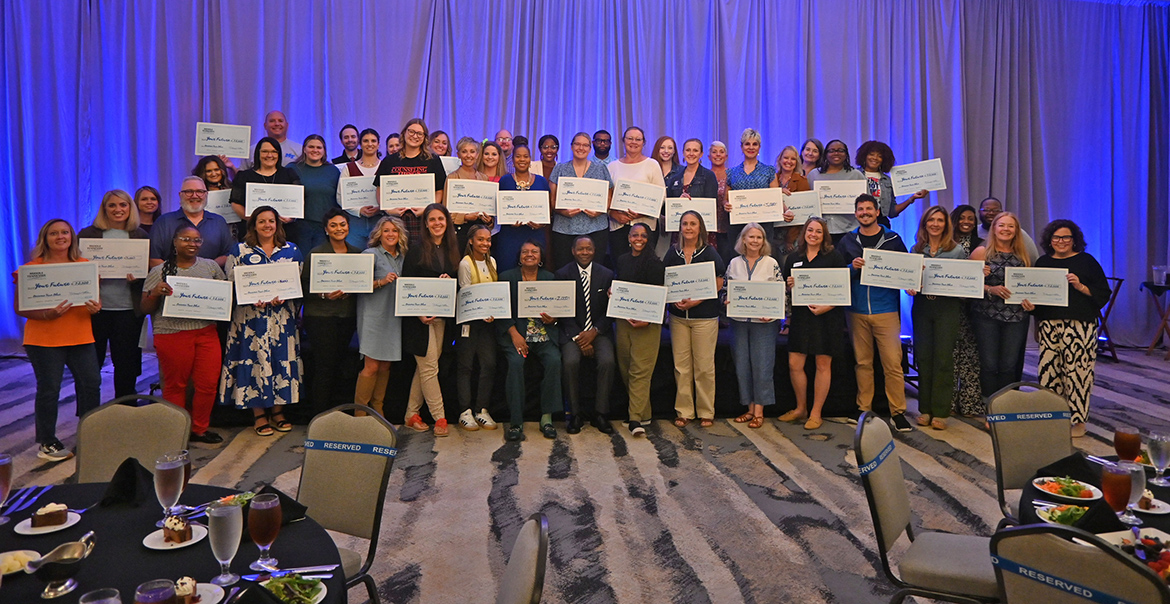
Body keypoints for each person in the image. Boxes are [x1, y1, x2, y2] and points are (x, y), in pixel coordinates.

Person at [16, 219, 102, 461]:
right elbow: (20, 307)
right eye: (54, 233)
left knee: (91, 383)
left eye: (65, 232)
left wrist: (97, 308)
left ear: (72, 237)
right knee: (49, 389)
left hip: (80, 335)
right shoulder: (31, 269)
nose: (60, 237)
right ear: (45, 238)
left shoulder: (85, 266)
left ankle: (89, 434)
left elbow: (95, 300)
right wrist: (47, 314)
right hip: (43, 339)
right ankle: (47, 442)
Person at [219, 206, 303, 435]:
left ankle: (277, 412)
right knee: (253, 362)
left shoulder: (292, 250)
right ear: (253, 225)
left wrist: (283, 296)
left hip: (281, 320)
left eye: (271, 221)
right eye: (262, 221)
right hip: (249, 320)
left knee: (280, 362)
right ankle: (258, 415)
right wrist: (249, 297)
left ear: (278, 224)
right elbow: (231, 284)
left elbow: (298, 286)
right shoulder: (239, 251)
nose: (267, 225)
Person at [1023, 220, 1110, 438]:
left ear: (1074, 240)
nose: (1061, 242)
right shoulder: (1042, 262)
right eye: (1056, 238)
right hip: (1049, 324)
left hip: (1080, 325)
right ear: (1049, 240)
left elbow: (1103, 293)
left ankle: (1079, 421)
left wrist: (1081, 286)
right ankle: (1052, 416)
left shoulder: (1087, 261)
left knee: (1078, 374)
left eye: (1066, 238)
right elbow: (1037, 294)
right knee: (1049, 372)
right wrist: (1031, 306)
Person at [141, 226, 226, 444]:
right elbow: (144, 308)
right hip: (172, 334)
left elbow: (223, 296)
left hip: (206, 332)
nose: (192, 243)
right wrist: (155, 293)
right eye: (186, 239)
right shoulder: (159, 271)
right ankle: (177, 430)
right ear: (175, 242)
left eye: (197, 240)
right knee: (175, 386)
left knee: (208, 384)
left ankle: (199, 428)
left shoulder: (211, 267)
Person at [838, 194, 913, 431]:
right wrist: (852, 268)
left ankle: (898, 412)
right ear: (855, 213)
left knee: (892, 363)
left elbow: (905, 271)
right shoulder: (848, 241)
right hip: (856, 311)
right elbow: (838, 275)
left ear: (877, 211)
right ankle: (863, 408)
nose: (865, 213)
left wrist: (910, 283)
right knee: (863, 362)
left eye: (869, 209)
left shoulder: (892, 239)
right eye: (860, 209)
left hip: (886, 310)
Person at [79, 189, 148, 398]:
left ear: (130, 208)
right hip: (94, 310)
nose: (118, 210)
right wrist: (89, 276)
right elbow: (74, 269)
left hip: (128, 310)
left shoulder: (140, 234)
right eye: (112, 205)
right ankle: (88, 415)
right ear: (104, 209)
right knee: (90, 366)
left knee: (126, 366)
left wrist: (138, 277)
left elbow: (148, 273)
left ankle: (125, 411)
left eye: (123, 205)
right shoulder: (87, 234)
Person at [781, 217, 846, 430]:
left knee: (822, 364)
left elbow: (842, 290)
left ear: (824, 235)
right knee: (794, 364)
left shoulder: (834, 257)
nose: (813, 234)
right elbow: (788, 290)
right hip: (801, 318)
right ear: (804, 233)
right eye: (810, 230)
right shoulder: (793, 258)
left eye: (818, 231)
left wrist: (826, 307)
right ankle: (801, 408)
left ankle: (816, 412)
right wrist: (790, 286)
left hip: (827, 317)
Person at [401, 203, 459, 436]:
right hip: (419, 318)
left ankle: (410, 414)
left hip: (441, 317)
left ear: (447, 222)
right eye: (432, 220)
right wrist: (418, 314)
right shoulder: (416, 250)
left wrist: (448, 281)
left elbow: (457, 284)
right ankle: (440, 417)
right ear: (425, 224)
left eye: (441, 219)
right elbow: (406, 286)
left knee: (426, 367)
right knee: (429, 367)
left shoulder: (453, 250)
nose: (437, 223)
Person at [908, 207, 968, 430]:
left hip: (947, 308)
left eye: (940, 220)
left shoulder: (957, 251)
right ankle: (925, 409)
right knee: (923, 358)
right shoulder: (916, 250)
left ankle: (941, 411)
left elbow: (963, 284)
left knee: (943, 359)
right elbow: (909, 280)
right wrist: (909, 287)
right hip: (922, 307)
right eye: (931, 220)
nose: (935, 224)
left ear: (946, 224)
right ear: (924, 223)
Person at [666, 209, 727, 428]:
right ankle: (684, 411)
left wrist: (697, 301)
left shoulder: (709, 252)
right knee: (681, 367)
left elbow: (719, 282)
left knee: (703, 366)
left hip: (704, 317)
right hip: (678, 318)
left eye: (693, 223)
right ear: (680, 228)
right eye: (685, 224)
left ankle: (706, 411)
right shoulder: (673, 253)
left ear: (700, 227)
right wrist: (672, 300)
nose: (689, 228)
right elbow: (666, 282)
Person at [498, 240, 561, 441]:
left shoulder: (550, 279)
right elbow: (501, 310)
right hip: (516, 335)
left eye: (534, 251)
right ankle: (516, 422)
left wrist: (554, 318)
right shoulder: (506, 278)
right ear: (519, 256)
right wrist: (514, 334)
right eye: (525, 251)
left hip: (543, 335)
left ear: (541, 257)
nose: (529, 254)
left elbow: (559, 308)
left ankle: (547, 418)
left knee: (554, 360)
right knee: (516, 363)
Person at [300, 209, 361, 416]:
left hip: (347, 316)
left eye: (342, 224)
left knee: (343, 365)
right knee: (324, 367)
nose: (339, 229)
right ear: (326, 229)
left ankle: (339, 414)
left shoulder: (357, 254)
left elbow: (362, 285)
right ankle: (320, 416)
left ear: (348, 227)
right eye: (333, 225)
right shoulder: (316, 254)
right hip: (320, 318)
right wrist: (325, 295)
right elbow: (304, 287)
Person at [555, 235, 615, 434]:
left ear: (594, 250)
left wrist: (594, 332)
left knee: (607, 361)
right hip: (572, 332)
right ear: (573, 251)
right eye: (580, 249)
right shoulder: (562, 274)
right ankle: (574, 414)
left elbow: (610, 311)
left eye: (588, 249)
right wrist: (580, 338)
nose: (584, 252)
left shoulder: (607, 274)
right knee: (570, 362)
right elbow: (562, 312)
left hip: (599, 332)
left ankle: (601, 413)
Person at [970, 211, 1031, 400]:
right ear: (994, 228)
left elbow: (1030, 285)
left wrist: (1030, 300)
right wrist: (990, 288)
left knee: (1009, 365)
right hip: (986, 317)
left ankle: (1007, 406)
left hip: (1017, 318)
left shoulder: (1023, 255)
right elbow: (968, 285)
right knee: (989, 364)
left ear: (1016, 230)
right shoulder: (982, 252)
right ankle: (991, 407)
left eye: (1010, 226)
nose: (1006, 229)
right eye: (1001, 225)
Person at [726, 223, 781, 428]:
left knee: (763, 366)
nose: (755, 241)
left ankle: (759, 410)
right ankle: (748, 408)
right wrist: (727, 300)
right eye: (751, 237)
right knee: (742, 365)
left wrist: (773, 312)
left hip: (764, 324)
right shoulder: (734, 263)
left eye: (759, 237)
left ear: (764, 241)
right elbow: (725, 289)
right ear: (743, 240)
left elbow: (780, 292)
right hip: (739, 322)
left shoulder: (771, 263)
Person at [614, 223, 665, 436]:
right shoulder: (622, 260)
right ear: (628, 237)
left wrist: (649, 320)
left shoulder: (655, 264)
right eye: (635, 235)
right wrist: (613, 292)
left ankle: (635, 418)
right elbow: (621, 287)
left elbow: (661, 297)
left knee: (640, 370)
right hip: (624, 320)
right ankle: (644, 413)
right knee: (626, 367)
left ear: (649, 238)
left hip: (647, 324)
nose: (639, 239)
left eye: (643, 236)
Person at [354, 216, 406, 417]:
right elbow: (357, 285)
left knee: (386, 364)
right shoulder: (370, 254)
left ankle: (378, 410)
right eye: (386, 230)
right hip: (373, 316)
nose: (391, 234)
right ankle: (360, 413)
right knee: (372, 365)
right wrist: (381, 282)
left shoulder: (403, 257)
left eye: (394, 230)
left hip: (394, 316)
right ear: (379, 234)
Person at [372, 119, 447, 247]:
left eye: (419, 134)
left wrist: (427, 209)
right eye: (411, 131)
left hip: (422, 219)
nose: (415, 136)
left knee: (421, 258)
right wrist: (388, 209)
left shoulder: (433, 160)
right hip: (395, 220)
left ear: (424, 138)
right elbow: (380, 189)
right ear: (404, 133)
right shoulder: (390, 160)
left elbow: (439, 190)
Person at [455, 224, 500, 432]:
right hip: (469, 322)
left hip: (488, 323)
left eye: (488, 239)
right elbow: (466, 294)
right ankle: (465, 411)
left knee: (488, 364)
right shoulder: (465, 263)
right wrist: (480, 313)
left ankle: (482, 409)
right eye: (480, 239)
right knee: (466, 365)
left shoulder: (492, 261)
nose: (485, 243)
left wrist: (492, 313)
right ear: (471, 241)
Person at [549, 132, 612, 269]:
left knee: (595, 271)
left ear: (590, 148)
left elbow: (609, 197)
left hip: (596, 229)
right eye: (577, 144)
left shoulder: (601, 169)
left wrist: (600, 211)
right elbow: (552, 200)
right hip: (564, 230)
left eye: (585, 145)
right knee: (564, 270)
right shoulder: (559, 168)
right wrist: (562, 211)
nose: (581, 148)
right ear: (571, 147)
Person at [607, 126, 665, 261]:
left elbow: (661, 196)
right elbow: (605, 197)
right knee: (621, 266)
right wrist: (613, 214)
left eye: (638, 139)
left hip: (645, 227)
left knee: (645, 267)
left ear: (643, 143)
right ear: (623, 141)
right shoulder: (612, 166)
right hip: (619, 226)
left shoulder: (652, 164)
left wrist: (641, 212)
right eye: (630, 138)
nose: (634, 142)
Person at [149, 176, 233, 268]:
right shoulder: (163, 222)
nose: (194, 195)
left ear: (206, 194)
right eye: (189, 191)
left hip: (210, 279)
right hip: (172, 280)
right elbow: (153, 259)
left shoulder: (219, 222)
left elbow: (228, 254)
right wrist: (179, 274)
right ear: (180, 195)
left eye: (200, 191)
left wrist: (207, 269)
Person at [949, 204, 983, 416]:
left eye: (971, 218)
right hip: (950, 305)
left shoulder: (982, 244)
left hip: (973, 307)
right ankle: (949, 402)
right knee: (950, 354)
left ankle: (970, 403)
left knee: (971, 355)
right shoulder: (946, 243)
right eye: (962, 218)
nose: (967, 222)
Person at [496, 144, 550, 268]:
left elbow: (548, 209)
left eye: (525, 156)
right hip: (510, 236)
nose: (522, 159)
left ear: (530, 160)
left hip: (535, 234)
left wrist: (542, 223)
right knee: (508, 272)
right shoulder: (504, 181)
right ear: (513, 160)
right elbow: (499, 208)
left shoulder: (541, 181)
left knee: (534, 272)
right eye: (518, 156)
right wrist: (508, 220)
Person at [229, 137, 302, 223]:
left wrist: (291, 217)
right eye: (265, 151)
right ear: (257, 153)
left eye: (274, 152)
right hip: (252, 229)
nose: (269, 155)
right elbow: (235, 203)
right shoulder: (243, 176)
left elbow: (298, 200)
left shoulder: (289, 174)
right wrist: (255, 220)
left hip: (284, 230)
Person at [289, 134, 341, 251]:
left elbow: (339, 199)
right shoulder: (292, 168)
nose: (315, 150)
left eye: (319, 147)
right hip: (300, 226)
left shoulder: (333, 171)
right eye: (311, 147)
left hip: (326, 226)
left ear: (324, 150)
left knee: (321, 263)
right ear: (304, 149)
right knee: (302, 262)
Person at [854, 140, 928, 222]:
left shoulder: (888, 181)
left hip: (881, 224)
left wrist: (912, 198)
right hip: (856, 223)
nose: (875, 158)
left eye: (880, 156)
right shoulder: (853, 175)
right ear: (864, 156)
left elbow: (892, 212)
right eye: (871, 154)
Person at [665, 139, 721, 248]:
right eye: (688, 150)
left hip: (703, 232)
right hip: (679, 232)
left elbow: (712, 205)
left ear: (701, 154)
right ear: (683, 153)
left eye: (695, 150)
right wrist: (678, 201)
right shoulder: (674, 178)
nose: (691, 154)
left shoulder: (708, 176)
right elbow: (666, 207)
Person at [726, 128, 777, 246]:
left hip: (763, 224)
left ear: (759, 147)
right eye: (747, 144)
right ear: (741, 147)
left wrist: (786, 210)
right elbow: (726, 198)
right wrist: (726, 204)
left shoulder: (769, 171)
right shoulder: (732, 172)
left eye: (755, 144)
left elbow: (776, 197)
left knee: (763, 258)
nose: (751, 147)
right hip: (738, 225)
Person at [808, 139, 866, 242]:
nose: (836, 153)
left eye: (840, 150)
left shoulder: (856, 175)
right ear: (826, 154)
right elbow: (806, 201)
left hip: (849, 230)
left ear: (846, 154)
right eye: (832, 150)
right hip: (820, 231)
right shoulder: (814, 175)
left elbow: (866, 202)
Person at [340, 128, 384, 248]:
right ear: (360, 143)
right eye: (365, 141)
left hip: (380, 222)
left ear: (379, 144)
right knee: (356, 259)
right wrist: (359, 210)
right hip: (355, 223)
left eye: (373, 141)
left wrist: (381, 208)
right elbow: (341, 196)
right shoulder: (348, 168)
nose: (370, 144)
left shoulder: (386, 166)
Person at [448, 137, 495, 251]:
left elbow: (489, 210)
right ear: (458, 155)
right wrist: (465, 217)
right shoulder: (452, 178)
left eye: (472, 152)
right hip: (460, 232)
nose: (468, 155)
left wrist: (489, 220)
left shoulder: (484, 179)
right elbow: (447, 211)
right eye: (464, 152)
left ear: (478, 154)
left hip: (480, 231)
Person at [769, 145, 812, 263]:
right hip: (771, 234)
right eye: (786, 157)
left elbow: (803, 213)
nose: (789, 161)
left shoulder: (802, 181)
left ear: (797, 162)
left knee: (787, 269)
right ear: (780, 159)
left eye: (793, 159)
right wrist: (777, 192)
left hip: (790, 237)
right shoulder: (771, 179)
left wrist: (790, 240)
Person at [976, 197, 1039, 263]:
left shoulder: (1021, 235)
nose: (991, 213)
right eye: (986, 210)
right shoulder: (976, 236)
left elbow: (1033, 261)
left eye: (996, 210)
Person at [709, 141, 732, 259]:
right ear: (708, 156)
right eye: (714, 152)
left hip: (726, 228)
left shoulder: (732, 175)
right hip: (708, 229)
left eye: (721, 152)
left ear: (726, 156)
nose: (718, 155)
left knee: (725, 260)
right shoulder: (704, 175)